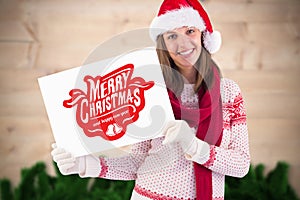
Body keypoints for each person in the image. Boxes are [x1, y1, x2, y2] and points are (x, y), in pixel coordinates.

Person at [51, 0, 250, 199]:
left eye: (190, 31)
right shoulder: (153, 90)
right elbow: (137, 162)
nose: (182, 43)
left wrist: (194, 146)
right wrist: (85, 164)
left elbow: (241, 164)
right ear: (163, 43)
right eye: (172, 35)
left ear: (204, 35)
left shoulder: (229, 93)